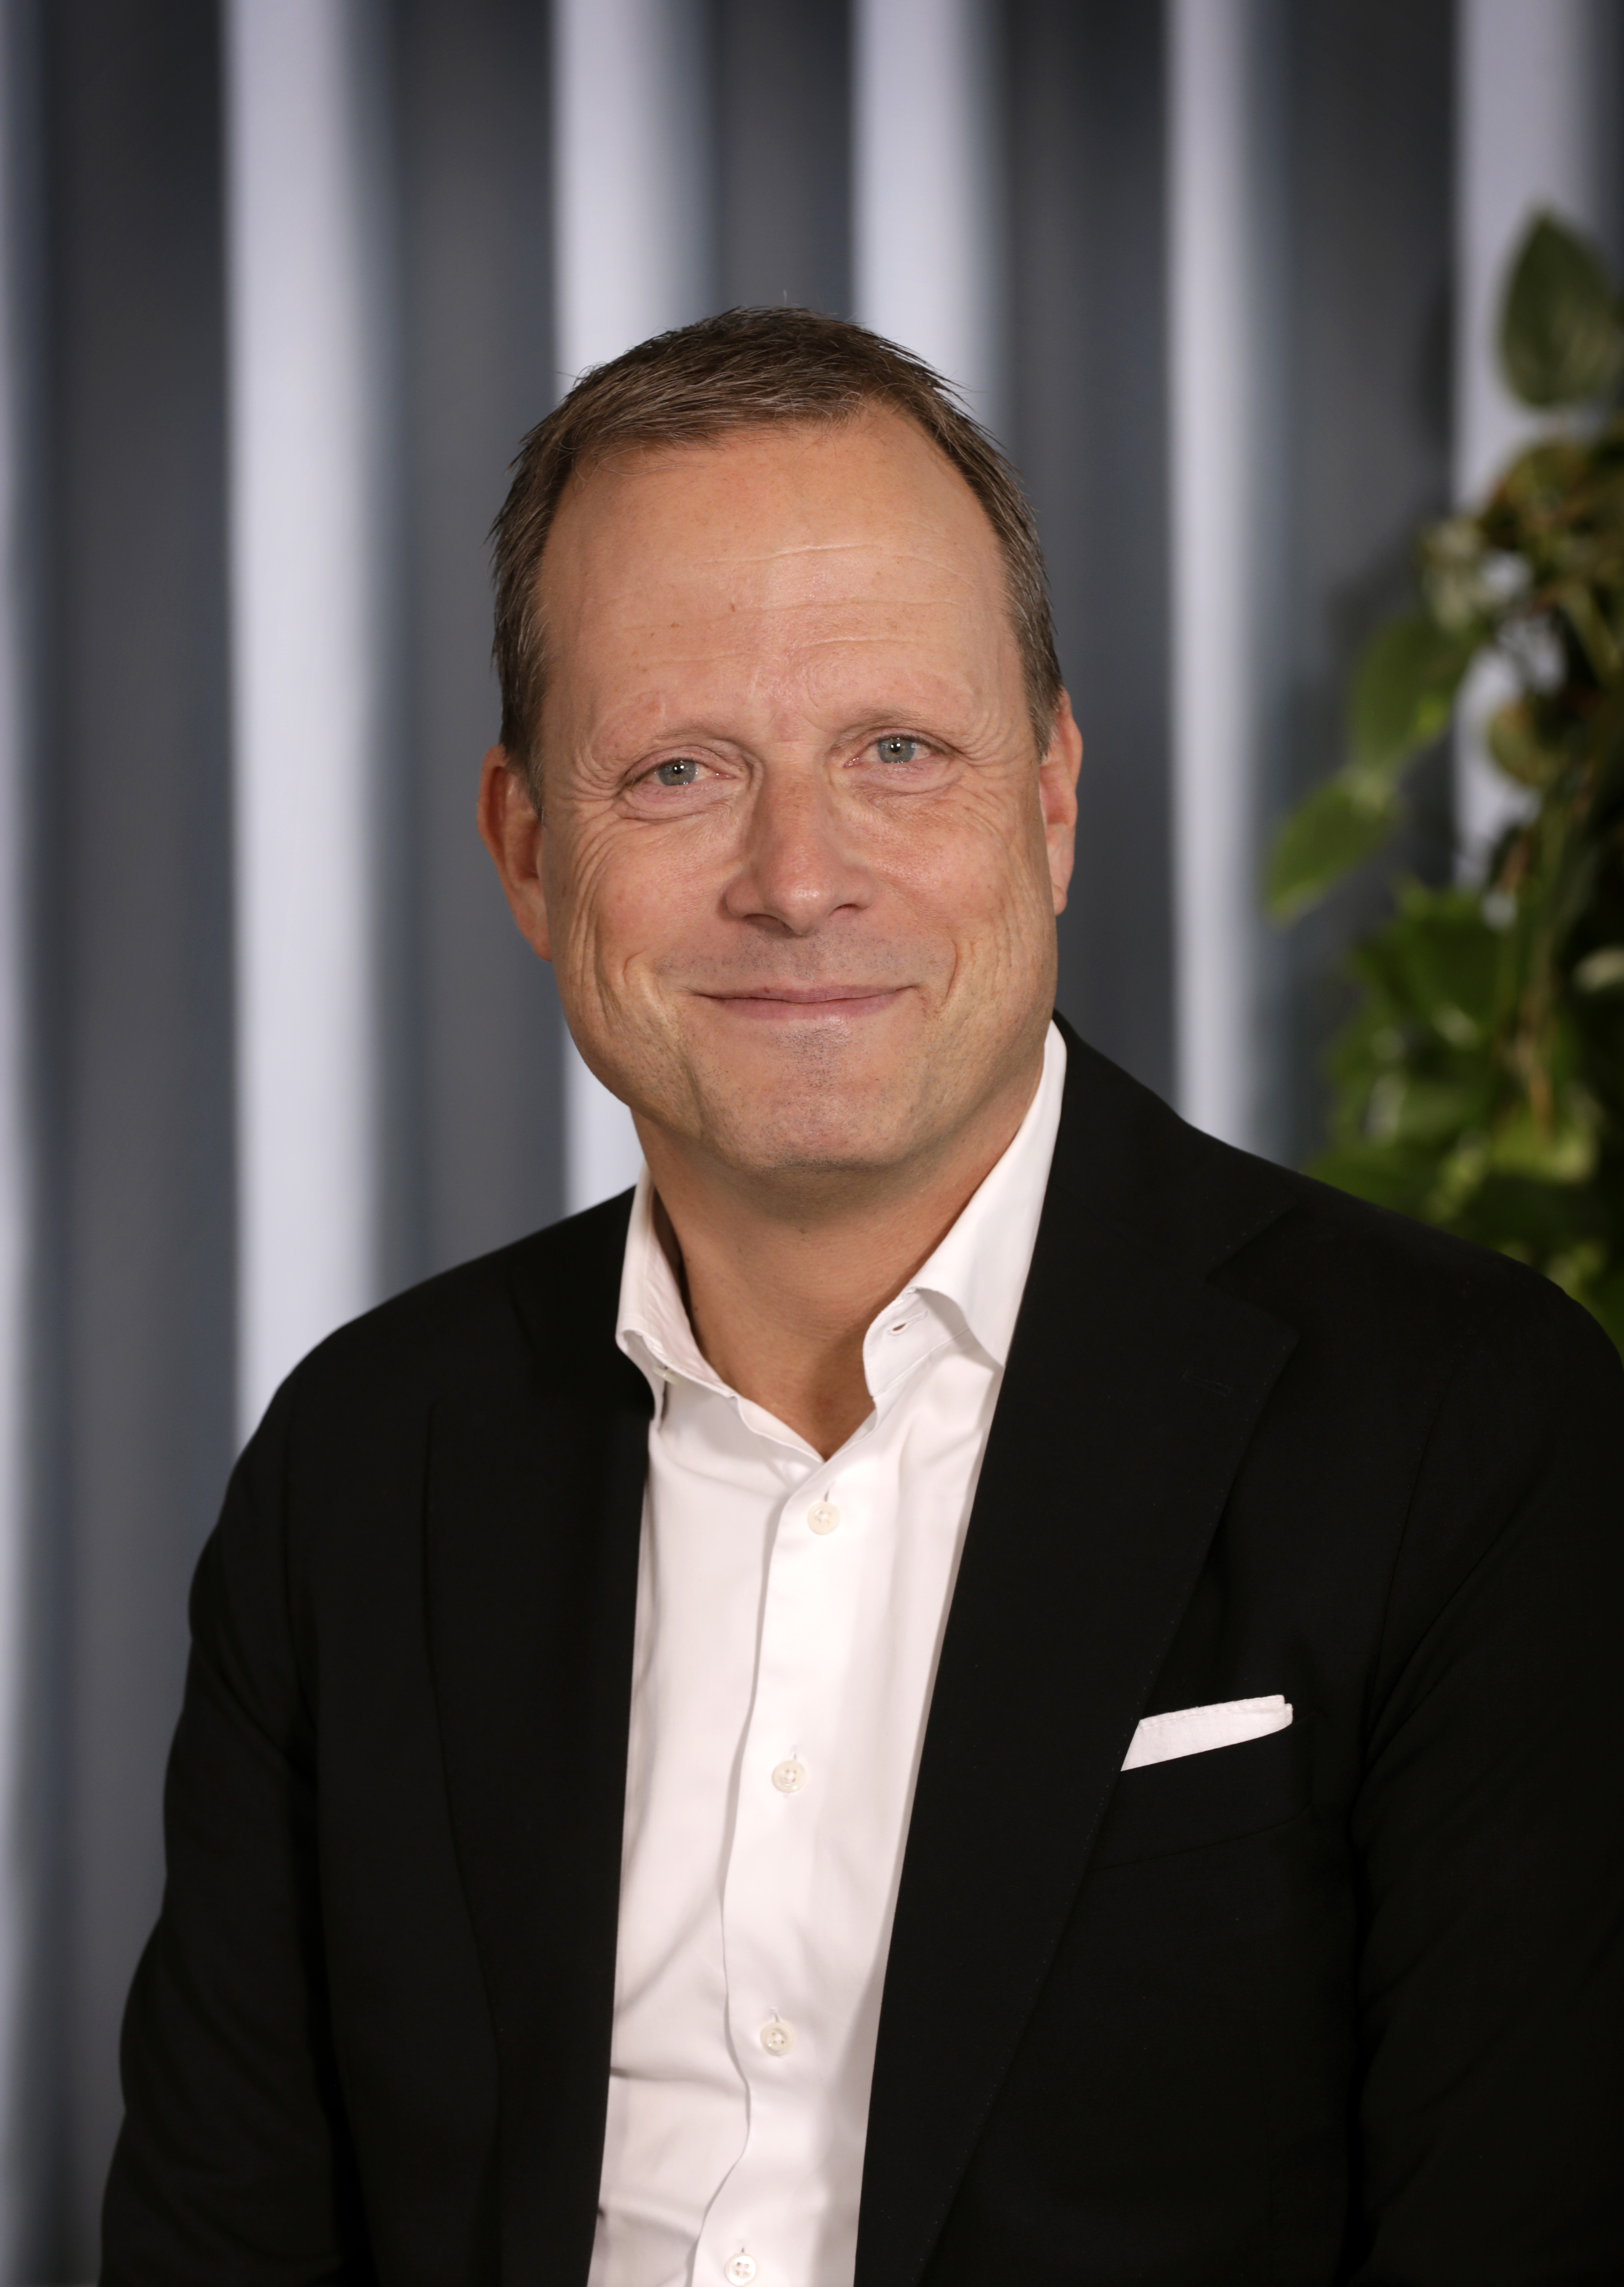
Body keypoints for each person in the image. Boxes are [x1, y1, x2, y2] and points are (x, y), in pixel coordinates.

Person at [102, 309, 1622, 2287]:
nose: (799, 877)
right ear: (528, 853)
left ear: (1049, 801)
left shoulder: (1465, 1428)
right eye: (677, 771)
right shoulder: (358, 1467)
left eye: (896, 752)